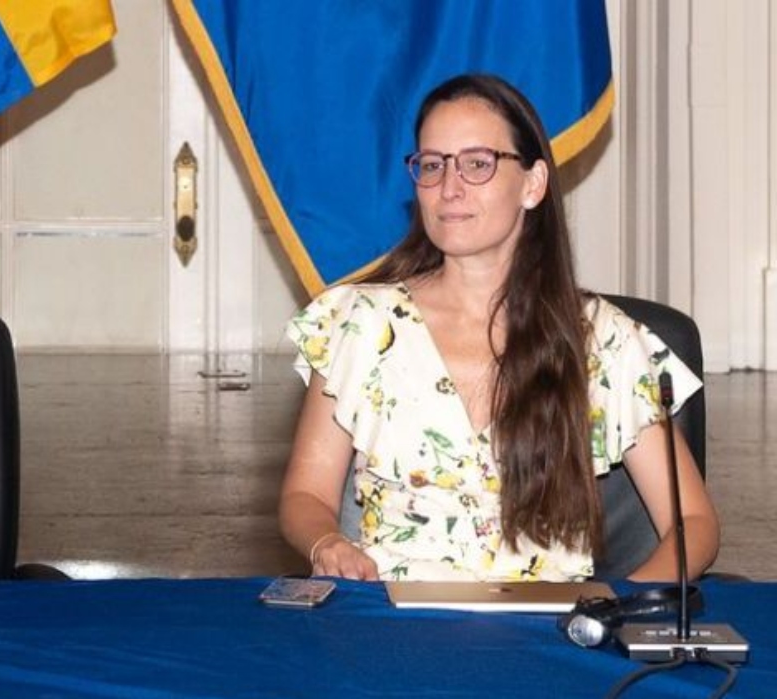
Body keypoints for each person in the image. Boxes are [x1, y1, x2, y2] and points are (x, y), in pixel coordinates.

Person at [279, 74, 719, 583]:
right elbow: (305, 495)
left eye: (477, 164)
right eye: (432, 165)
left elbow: (694, 523)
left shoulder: (603, 339)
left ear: (532, 184)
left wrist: (622, 605)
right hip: (392, 610)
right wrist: (328, 543)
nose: (449, 188)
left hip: (548, 621)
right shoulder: (359, 323)